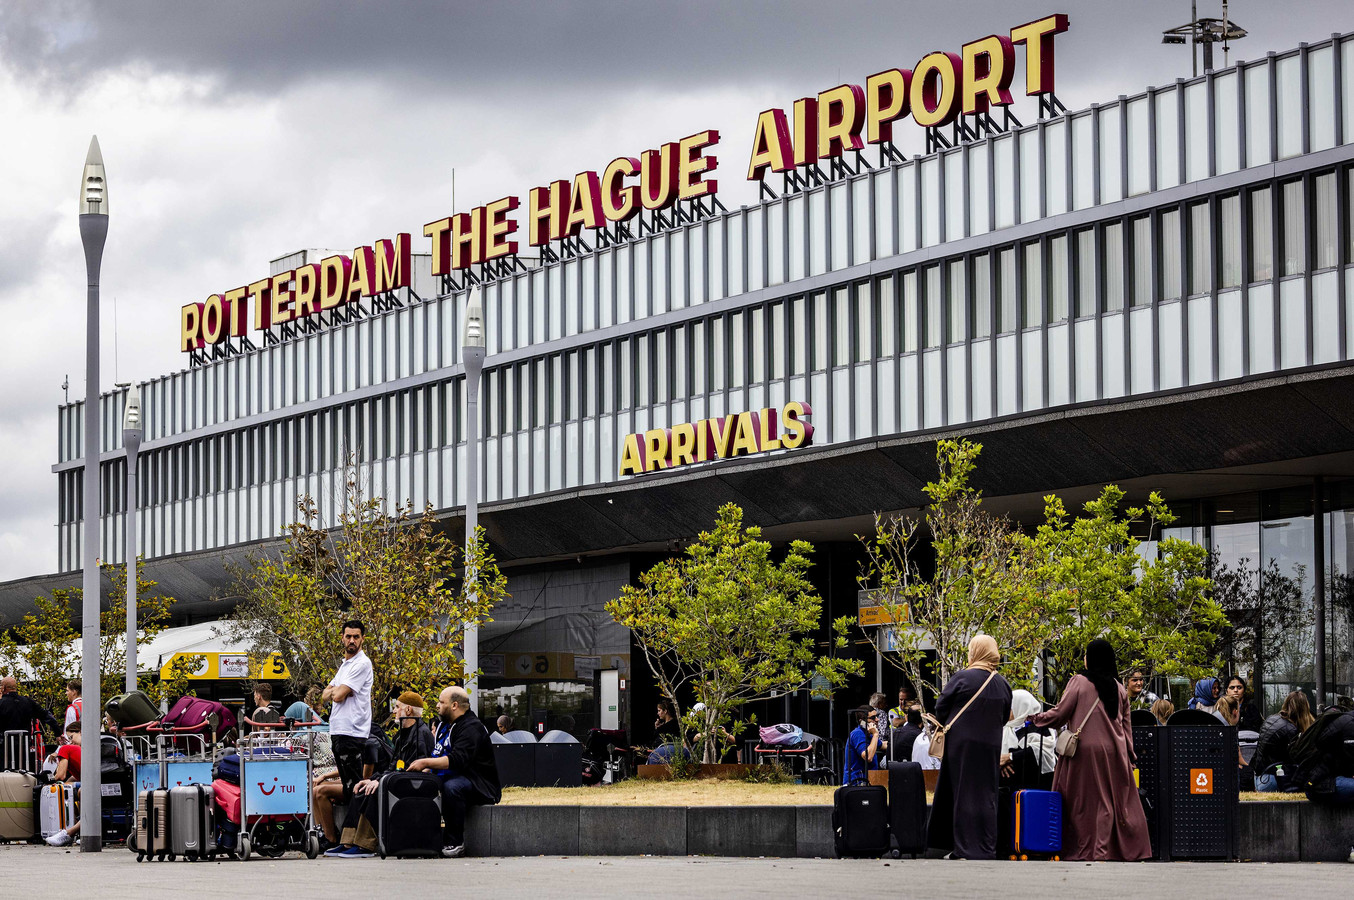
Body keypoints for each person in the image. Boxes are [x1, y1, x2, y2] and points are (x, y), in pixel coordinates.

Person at [1032, 639, 1151, 861]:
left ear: (1092, 658)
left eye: (1087, 654)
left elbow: (1060, 714)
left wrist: (1035, 719)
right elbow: (1126, 727)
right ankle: (1106, 849)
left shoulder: (1079, 682)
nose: (1084, 659)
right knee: (1109, 802)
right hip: (1115, 753)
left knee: (1082, 803)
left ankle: (1085, 849)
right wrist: (1130, 756)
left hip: (1084, 752)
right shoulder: (1119, 688)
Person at [926, 634, 1013, 860]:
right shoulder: (1002, 684)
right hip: (990, 746)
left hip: (961, 745)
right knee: (987, 794)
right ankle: (986, 847)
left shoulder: (963, 678)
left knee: (962, 792)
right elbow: (1005, 716)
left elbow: (941, 707)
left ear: (974, 652)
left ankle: (963, 848)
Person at [325, 692, 435, 858]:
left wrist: (381, 781)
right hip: (397, 779)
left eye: (397, 707)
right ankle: (347, 842)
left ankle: (365, 844)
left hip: (410, 785)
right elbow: (393, 766)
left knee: (373, 791)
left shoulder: (421, 734)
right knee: (360, 788)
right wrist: (373, 779)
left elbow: (414, 770)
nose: (394, 711)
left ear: (409, 710)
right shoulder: (401, 735)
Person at [409, 686, 501, 858]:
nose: (437, 705)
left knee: (452, 788)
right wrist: (425, 770)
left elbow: (456, 760)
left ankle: (455, 842)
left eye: (441, 702)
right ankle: (420, 841)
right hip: (452, 776)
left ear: (454, 705)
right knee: (421, 784)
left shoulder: (472, 728)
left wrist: (425, 762)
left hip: (478, 784)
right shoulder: (445, 726)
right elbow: (439, 755)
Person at [321, 620, 374, 814]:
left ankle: (358, 831)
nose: (352, 640)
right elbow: (325, 695)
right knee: (348, 787)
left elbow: (336, 696)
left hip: (352, 733)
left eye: (356, 637)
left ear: (362, 639)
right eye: (348, 636)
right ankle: (348, 831)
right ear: (342, 638)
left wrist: (338, 691)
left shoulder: (362, 663)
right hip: (339, 732)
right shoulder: (345, 665)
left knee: (354, 788)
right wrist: (338, 690)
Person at [1252, 690, 1315, 792]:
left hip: (1259, 778)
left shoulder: (1271, 719)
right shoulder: (1291, 730)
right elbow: (1299, 757)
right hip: (1273, 780)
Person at [1001, 689, 1055, 790]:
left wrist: (1010, 757)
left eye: (1010, 708)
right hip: (1010, 791)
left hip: (1035, 789)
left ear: (1021, 707)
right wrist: (1001, 763)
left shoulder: (1039, 726)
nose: (1005, 712)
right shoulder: (1006, 729)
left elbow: (1042, 751)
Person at [42, 722, 83, 846]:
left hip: (90, 787)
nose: (70, 741)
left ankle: (68, 832)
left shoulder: (65, 749)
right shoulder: (87, 749)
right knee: (70, 788)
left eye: (71, 737)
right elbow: (75, 776)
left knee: (67, 790)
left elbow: (60, 776)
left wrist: (51, 780)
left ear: (81, 732)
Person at [0, 676, 60, 751]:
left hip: (5, 747)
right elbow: (46, 715)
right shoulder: (28, 702)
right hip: (24, 746)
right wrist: (58, 733)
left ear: (3, 688)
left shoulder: (1, 703)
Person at [843, 707, 882, 784]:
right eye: (873, 718)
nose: (877, 719)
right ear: (862, 722)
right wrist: (875, 734)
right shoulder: (857, 734)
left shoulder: (868, 734)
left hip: (868, 781)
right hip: (857, 783)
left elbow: (883, 745)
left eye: (877, 716)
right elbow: (868, 757)